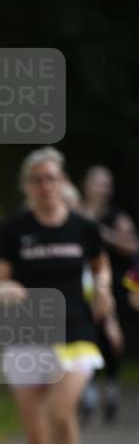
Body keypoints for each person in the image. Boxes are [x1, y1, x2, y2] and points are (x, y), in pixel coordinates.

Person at [0, 147, 115, 444]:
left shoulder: (82, 227)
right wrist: (7, 288)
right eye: (37, 180)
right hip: (27, 336)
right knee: (35, 429)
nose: (45, 186)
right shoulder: (14, 230)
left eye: (52, 178)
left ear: (62, 183)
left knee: (59, 413)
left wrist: (103, 288)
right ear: (27, 186)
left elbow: (100, 265)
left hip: (75, 334)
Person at [80, 166, 138, 421]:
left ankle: (112, 388)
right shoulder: (75, 212)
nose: (100, 188)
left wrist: (103, 234)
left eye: (106, 184)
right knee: (87, 335)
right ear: (86, 185)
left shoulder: (118, 218)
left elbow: (133, 246)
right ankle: (89, 391)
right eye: (96, 183)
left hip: (114, 284)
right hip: (82, 285)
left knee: (112, 340)